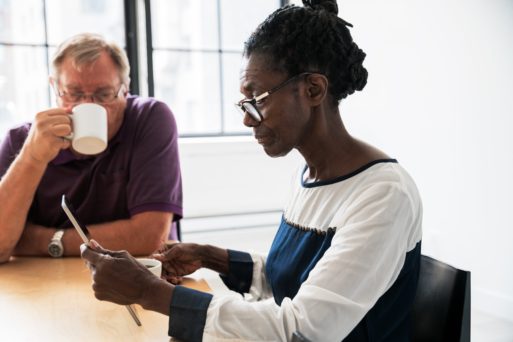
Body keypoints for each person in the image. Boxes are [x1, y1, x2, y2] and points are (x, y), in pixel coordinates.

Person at [80, 1, 422, 341]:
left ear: (313, 90)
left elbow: (301, 329)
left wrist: (149, 291)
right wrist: (208, 256)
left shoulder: (382, 194)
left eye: (257, 99)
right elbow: (288, 281)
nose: (246, 118)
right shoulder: (308, 178)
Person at [0, 33, 182, 263]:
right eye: (74, 94)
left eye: (103, 94)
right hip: (46, 284)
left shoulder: (149, 119)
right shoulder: (22, 141)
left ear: (125, 89)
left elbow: (149, 236)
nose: (86, 105)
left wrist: (45, 241)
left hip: (137, 277)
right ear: (55, 89)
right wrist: (32, 158)